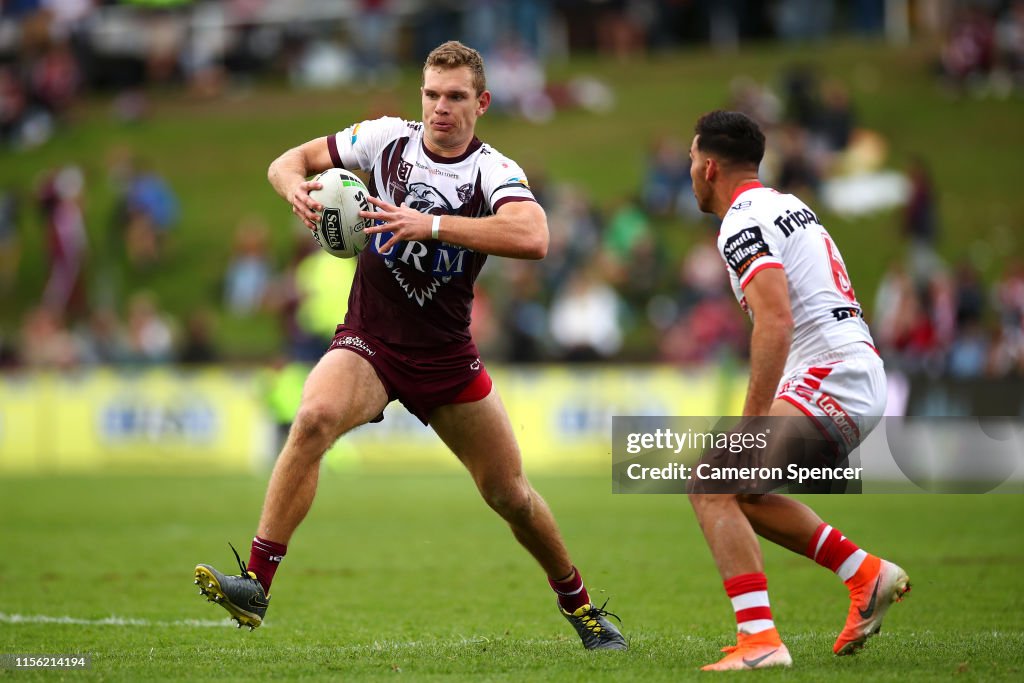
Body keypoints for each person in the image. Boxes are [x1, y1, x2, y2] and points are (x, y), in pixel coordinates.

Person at [193, 41, 626, 651]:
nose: (439, 108)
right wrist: (293, 186)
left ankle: (581, 609)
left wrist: (433, 225)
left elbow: (535, 235)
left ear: (483, 103)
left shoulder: (492, 171)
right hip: (371, 341)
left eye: (454, 97)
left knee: (511, 495)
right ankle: (255, 584)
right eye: (431, 95)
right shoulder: (386, 140)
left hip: (447, 359)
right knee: (312, 417)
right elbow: (289, 159)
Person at [685, 110, 909, 670]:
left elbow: (777, 320)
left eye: (691, 160)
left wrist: (753, 422)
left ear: (709, 167)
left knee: (712, 484)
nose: (689, 170)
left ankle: (761, 642)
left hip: (830, 372)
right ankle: (864, 573)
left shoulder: (741, 220)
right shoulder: (787, 205)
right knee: (743, 493)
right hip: (852, 367)